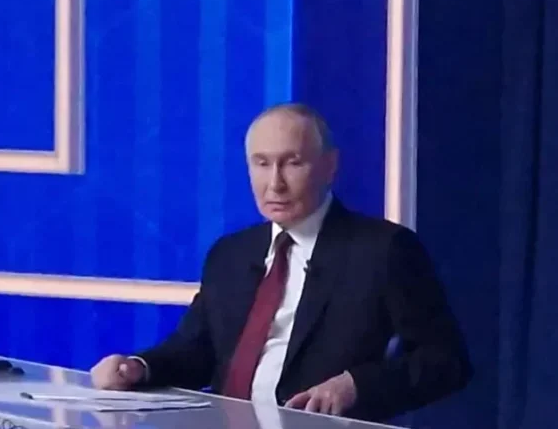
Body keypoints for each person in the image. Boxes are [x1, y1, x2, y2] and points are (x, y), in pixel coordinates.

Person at [90, 103, 471, 422]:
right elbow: (196, 352)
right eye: (261, 164)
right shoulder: (230, 254)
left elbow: (445, 361)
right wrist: (138, 367)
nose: (275, 184)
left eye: (292, 163)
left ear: (329, 166)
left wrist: (356, 385)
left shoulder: (383, 250)